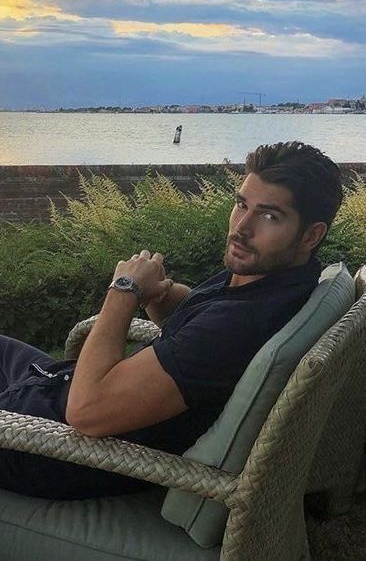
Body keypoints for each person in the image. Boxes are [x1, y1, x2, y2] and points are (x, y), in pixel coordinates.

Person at [0, 141, 343, 499]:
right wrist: (161, 295)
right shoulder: (271, 285)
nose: (241, 227)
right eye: (241, 204)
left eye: (269, 216)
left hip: (45, 448)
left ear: (311, 234)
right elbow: (197, 335)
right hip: (52, 392)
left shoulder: (237, 328)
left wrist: (124, 288)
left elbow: (87, 412)